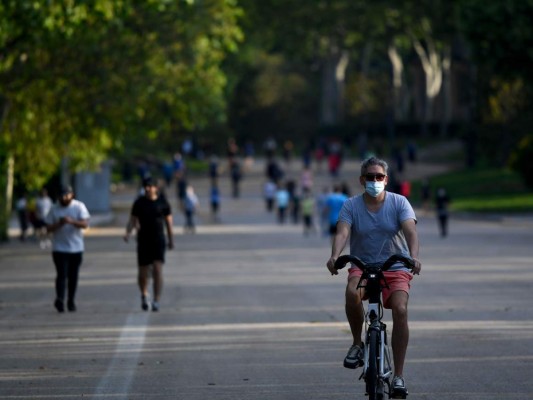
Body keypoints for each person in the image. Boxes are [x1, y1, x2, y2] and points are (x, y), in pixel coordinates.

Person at [326, 156, 421, 397]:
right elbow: (342, 232)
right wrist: (335, 256)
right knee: (351, 293)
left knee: (400, 309)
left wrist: (414, 257)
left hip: (395, 265)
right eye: (370, 177)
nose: (375, 181)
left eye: (379, 177)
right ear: (361, 180)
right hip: (362, 265)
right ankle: (357, 344)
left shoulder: (400, 203)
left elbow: (411, 231)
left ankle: (398, 375)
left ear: (386, 180)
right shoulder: (351, 205)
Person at [124, 177, 174, 312]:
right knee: (143, 272)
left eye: (150, 186)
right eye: (146, 186)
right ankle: (144, 294)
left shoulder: (163, 203)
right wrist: (128, 232)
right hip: (143, 241)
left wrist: (171, 239)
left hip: (158, 241)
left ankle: (156, 300)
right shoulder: (139, 203)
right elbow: (132, 220)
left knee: (157, 269)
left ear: (156, 188)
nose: (147, 189)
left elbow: (169, 223)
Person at [45, 185, 90, 313]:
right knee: (61, 274)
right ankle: (60, 299)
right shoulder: (54, 209)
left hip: (76, 248)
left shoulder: (78, 206)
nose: (64, 198)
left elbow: (85, 224)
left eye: (66, 195)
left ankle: (71, 300)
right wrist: (60, 224)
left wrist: (71, 221)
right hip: (59, 248)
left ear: (72, 195)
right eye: (61, 196)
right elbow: (48, 228)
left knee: (73, 276)